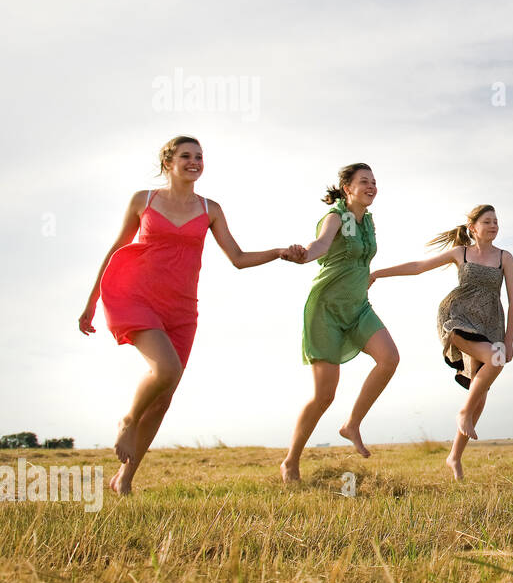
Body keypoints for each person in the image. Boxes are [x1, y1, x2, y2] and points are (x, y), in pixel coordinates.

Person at [79, 136, 304, 495]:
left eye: (199, 156)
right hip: (139, 297)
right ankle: (128, 419)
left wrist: (278, 252)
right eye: (186, 156)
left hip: (182, 308)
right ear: (169, 162)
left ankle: (125, 479)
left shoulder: (210, 209)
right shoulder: (144, 200)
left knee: (164, 397)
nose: (194, 161)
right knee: (166, 370)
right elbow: (117, 248)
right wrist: (91, 300)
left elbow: (238, 257)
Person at [370, 204, 513, 480]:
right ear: (473, 228)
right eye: (487, 221)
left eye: (496, 221)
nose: (494, 225)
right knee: (494, 361)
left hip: (490, 323)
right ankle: (463, 412)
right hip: (458, 317)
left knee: (481, 391)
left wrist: (509, 339)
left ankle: (454, 456)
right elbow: (418, 267)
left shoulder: (504, 258)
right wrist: (378, 273)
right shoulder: (460, 253)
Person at [281, 163, 399, 484]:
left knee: (389, 359)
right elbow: (319, 246)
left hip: (358, 307)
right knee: (324, 396)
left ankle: (352, 424)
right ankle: (291, 461)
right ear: (347, 187)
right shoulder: (336, 217)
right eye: (364, 182)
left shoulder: (368, 222)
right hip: (327, 310)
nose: (371, 186)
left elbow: (363, 259)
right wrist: (302, 254)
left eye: (374, 181)